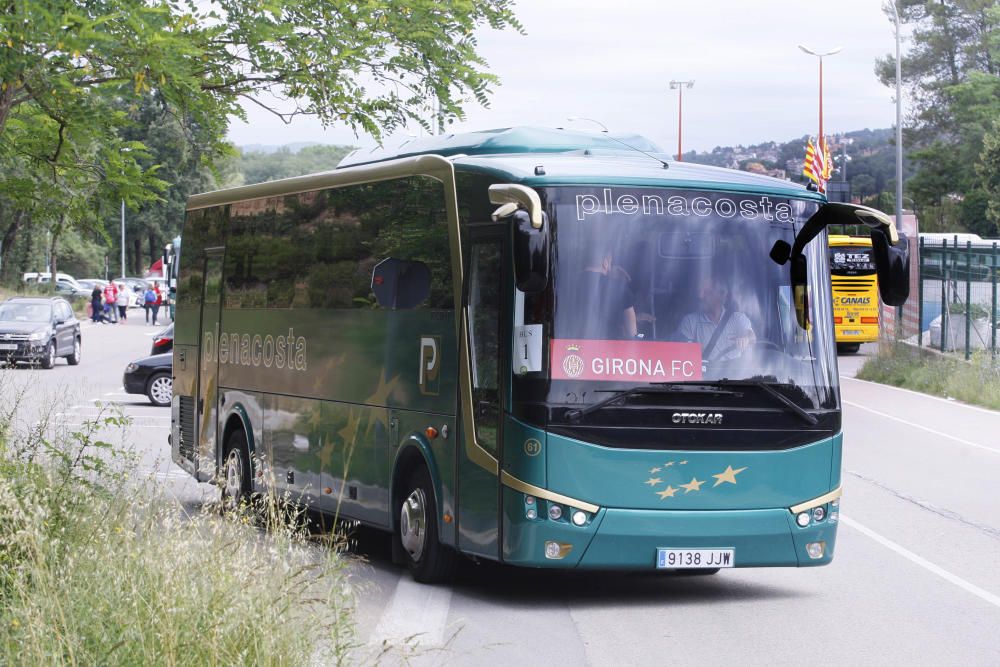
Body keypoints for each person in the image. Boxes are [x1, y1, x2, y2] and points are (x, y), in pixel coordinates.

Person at [676, 277, 755, 361]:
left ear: (721, 295)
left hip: (735, 372)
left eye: (706, 292)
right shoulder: (690, 321)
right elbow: (680, 352)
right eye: (699, 292)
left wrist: (746, 338)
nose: (700, 296)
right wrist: (692, 349)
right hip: (704, 372)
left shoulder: (738, 318)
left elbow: (751, 336)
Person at [576, 248, 638, 340]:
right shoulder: (620, 288)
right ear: (605, 262)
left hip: (568, 349)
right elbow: (632, 333)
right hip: (608, 350)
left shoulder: (565, 284)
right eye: (611, 261)